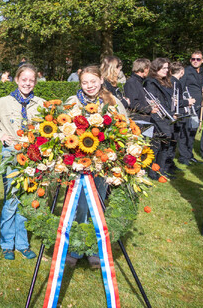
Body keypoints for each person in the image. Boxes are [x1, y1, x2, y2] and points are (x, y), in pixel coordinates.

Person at [64, 65, 127, 267]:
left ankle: (92, 249)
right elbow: (62, 131)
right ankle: (75, 248)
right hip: (79, 165)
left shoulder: (112, 102)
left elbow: (124, 128)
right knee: (79, 206)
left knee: (96, 205)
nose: (89, 86)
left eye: (93, 81)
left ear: (101, 81)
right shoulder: (72, 102)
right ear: (80, 84)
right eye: (85, 82)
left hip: (102, 165)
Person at [0, 63, 43, 261]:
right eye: (23, 79)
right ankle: (7, 243)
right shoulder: (4, 103)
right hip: (12, 154)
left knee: (26, 200)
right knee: (11, 199)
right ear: (16, 80)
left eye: (31, 80)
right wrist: (0, 134)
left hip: (33, 156)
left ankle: (22, 243)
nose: (27, 83)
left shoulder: (41, 104)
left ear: (35, 82)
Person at [145, 58, 174, 179]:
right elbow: (153, 101)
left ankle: (160, 171)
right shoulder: (150, 82)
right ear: (156, 68)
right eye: (163, 68)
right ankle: (152, 172)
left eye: (167, 68)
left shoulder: (165, 82)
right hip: (157, 118)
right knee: (155, 146)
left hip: (166, 117)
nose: (166, 71)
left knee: (165, 146)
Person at [169, 62, 195, 176]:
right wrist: (188, 102)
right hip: (175, 115)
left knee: (173, 140)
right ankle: (168, 164)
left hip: (173, 114)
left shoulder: (170, 81)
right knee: (173, 140)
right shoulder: (176, 83)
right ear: (182, 72)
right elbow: (177, 102)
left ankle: (170, 164)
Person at [180, 51, 203, 164]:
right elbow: (181, 87)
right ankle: (183, 157)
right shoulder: (186, 71)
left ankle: (189, 155)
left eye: (198, 59)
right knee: (185, 132)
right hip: (189, 106)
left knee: (192, 132)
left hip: (199, 107)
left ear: (202, 60)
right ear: (190, 60)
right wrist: (185, 102)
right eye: (193, 59)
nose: (195, 61)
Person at [124, 58, 157, 122]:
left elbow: (139, 99)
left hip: (143, 118)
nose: (149, 71)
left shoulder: (138, 82)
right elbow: (133, 103)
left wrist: (149, 103)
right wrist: (149, 109)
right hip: (138, 119)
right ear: (145, 69)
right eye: (148, 69)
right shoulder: (131, 82)